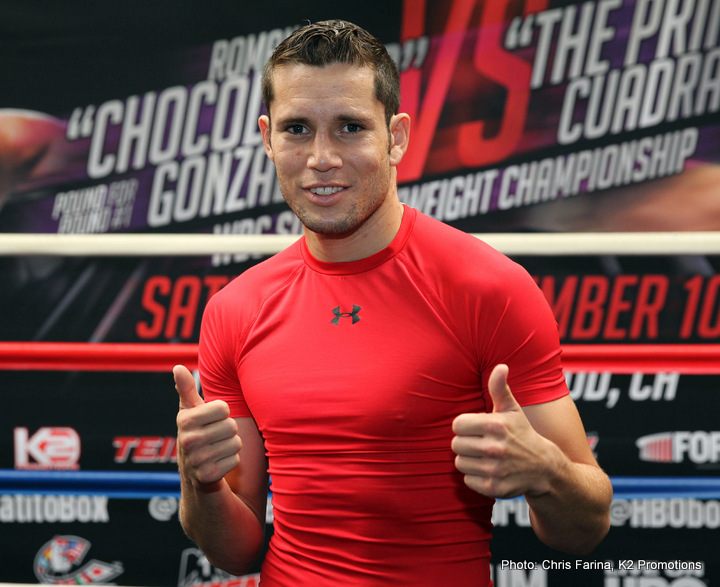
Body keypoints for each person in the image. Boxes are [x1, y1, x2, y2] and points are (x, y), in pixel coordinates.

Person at [173, 19, 612, 586]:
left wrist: (547, 472)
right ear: (267, 137)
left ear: (396, 136)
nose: (322, 156)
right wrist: (199, 485)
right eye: (298, 129)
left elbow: (586, 528)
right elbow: (235, 552)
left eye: (350, 127)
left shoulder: (488, 287)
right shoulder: (235, 309)